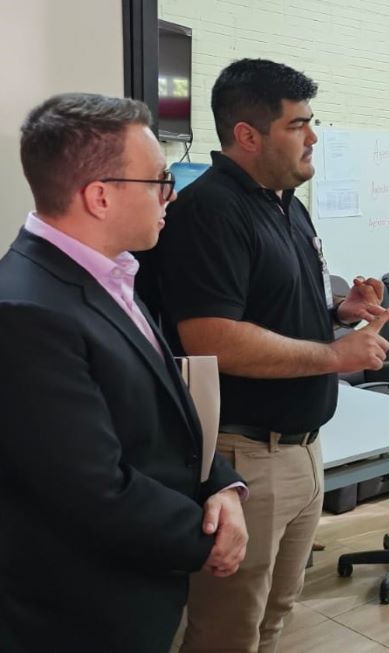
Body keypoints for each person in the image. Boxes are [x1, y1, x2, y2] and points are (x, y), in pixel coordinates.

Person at [148, 59, 389, 653]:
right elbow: (211, 338)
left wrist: (339, 310)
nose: (314, 137)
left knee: (275, 616)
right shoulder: (210, 211)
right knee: (227, 631)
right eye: (299, 124)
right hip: (246, 457)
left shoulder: (285, 204)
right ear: (247, 135)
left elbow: (267, 305)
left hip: (304, 452)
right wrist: (335, 356)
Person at [0, 93, 247, 653]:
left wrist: (222, 486)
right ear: (100, 196)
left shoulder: (113, 275)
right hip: (82, 614)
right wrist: (209, 540)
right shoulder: (25, 311)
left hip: (138, 589)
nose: (172, 194)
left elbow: (165, 407)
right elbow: (92, 490)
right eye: (160, 179)